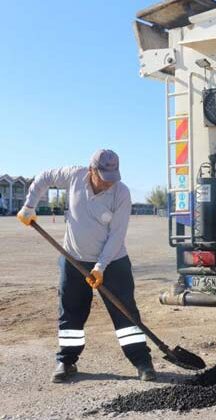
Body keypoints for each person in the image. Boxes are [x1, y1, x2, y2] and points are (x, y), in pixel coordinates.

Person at [17, 149, 156, 383]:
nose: (108, 184)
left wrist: (100, 267)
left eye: (112, 178)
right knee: (71, 312)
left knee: (126, 313)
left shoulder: (121, 193)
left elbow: (117, 235)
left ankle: (142, 362)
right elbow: (44, 177)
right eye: (103, 177)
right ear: (91, 170)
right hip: (73, 259)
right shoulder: (73, 176)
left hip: (113, 262)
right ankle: (66, 361)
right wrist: (29, 206)